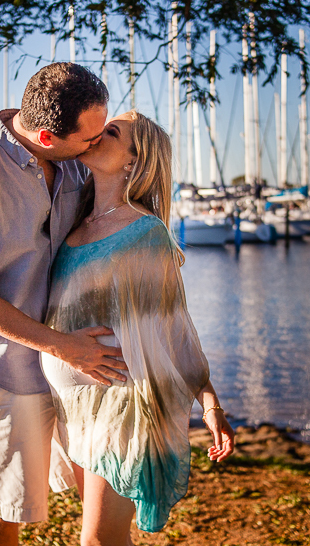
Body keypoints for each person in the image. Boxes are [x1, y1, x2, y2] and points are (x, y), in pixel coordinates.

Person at [0, 63, 129, 546]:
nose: (96, 145)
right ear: (46, 135)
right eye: (89, 140)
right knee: (7, 506)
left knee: (99, 502)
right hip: (5, 371)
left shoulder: (73, 162)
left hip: (72, 372)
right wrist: (64, 346)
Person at [41, 110, 235, 544]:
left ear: (134, 161)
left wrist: (209, 404)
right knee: (107, 539)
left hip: (123, 405)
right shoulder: (73, 221)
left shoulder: (144, 234)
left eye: (111, 132)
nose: (95, 135)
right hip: (76, 406)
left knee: (96, 540)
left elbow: (174, 327)